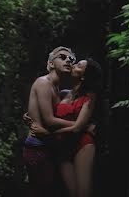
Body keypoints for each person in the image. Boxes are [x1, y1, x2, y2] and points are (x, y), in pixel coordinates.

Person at [30, 58, 103, 197]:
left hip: (82, 143)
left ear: (83, 76)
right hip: (63, 146)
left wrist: (47, 134)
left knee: (83, 193)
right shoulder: (63, 93)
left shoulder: (90, 96)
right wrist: (30, 117)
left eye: (78, 66)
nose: (73, 65)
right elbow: (48, 115)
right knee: (72, 192)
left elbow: (76, 129)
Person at [22, 46, 77, 196]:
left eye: (70, 59)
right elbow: (50, 120)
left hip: (49, 146)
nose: (68, 60)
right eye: (62, 57)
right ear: (51, 63)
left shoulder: (59, 90)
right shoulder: (43, 83)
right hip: (37, 148)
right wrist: (79, 126)